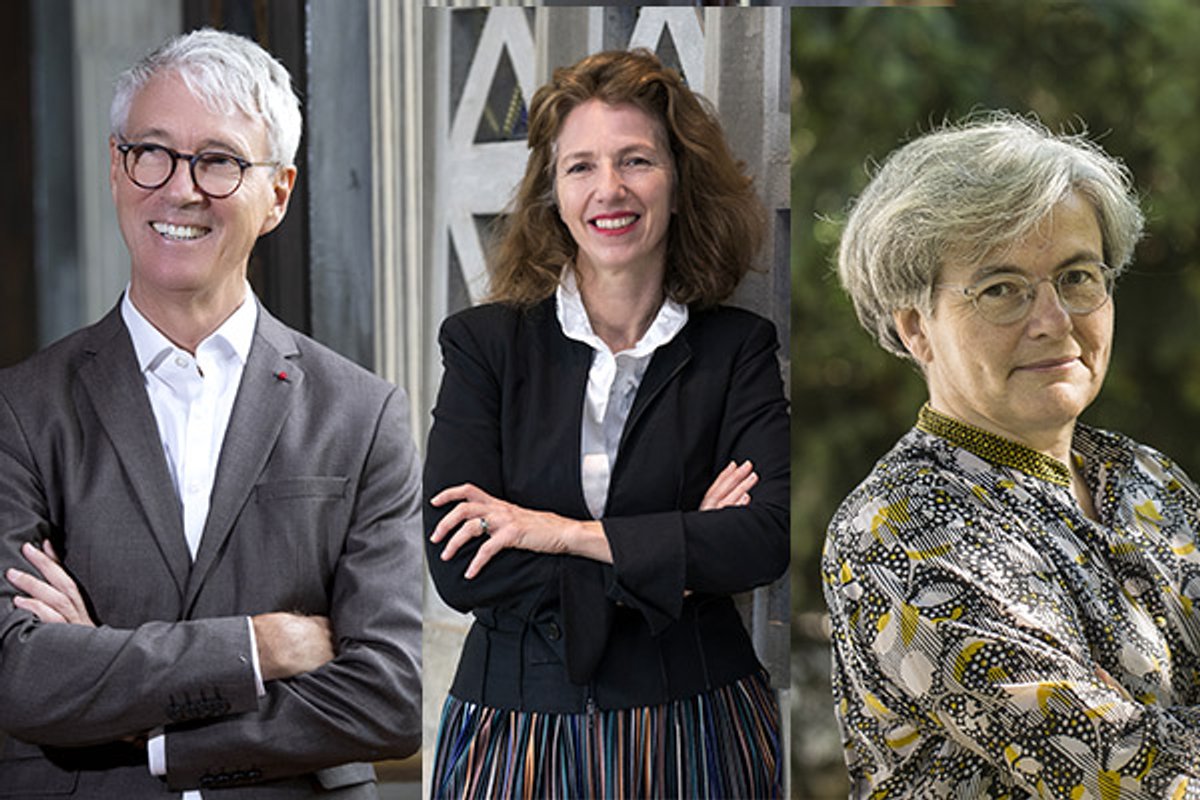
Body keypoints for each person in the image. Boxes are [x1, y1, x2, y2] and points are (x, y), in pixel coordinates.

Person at [0, 28, 421, 797]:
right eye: (152, 152)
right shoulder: (21, 412)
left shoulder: (362, 416)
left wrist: (139, 718)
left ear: (279, 195)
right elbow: (19, 675)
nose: (180, 189)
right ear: (116, 168)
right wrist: (258, 647)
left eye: (220, 161)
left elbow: (387, 697)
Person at [423, 49, 790, 799]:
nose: (609, 189)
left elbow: (763, 539)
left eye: (636, 160)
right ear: (552, 194)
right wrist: (680, 552)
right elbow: (461, 566)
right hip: (512, 729)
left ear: (680, 184)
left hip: (700, 724)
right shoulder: (483, 346)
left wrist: (555, 532)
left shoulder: (736, 351)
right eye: (581, 167)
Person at [823, 112, 1200, 798]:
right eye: (1001, 289)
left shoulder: (1149, 481)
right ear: (917, 329)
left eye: (1078, 276)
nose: (1054, 319)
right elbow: (1132, 775)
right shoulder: (900, 530)